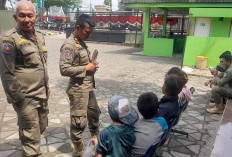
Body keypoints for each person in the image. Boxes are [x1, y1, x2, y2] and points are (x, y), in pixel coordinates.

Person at [0, 0, 49, 156]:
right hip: (25, 97)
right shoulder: (9, 39)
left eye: (30, 15)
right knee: (31, 136)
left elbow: (41, 65)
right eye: (22, 16)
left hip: (42, 94)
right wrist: (18, 99)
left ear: (36, 17)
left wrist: (46, 86)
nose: (26, 19)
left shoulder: (39, 36)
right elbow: (6, 73)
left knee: (40, 127)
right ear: (15, 17)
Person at [59, 14, 100, 157]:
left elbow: (83, 64)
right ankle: (78, 150)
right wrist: (86, 69)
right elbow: (64, 69)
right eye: (87, 31)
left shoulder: (81, 42)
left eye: (91, 32)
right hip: (78, 90)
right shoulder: (69, 45)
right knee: (79, 123)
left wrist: (91, 66)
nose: (89, 34)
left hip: (88, 88)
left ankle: (96, 144)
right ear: (78, 27)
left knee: (94, 115)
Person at [131, 92, 168, 157]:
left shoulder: (135, 124)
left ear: (140, 111)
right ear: (157, 110)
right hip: (150, 153)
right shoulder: (162, 121)